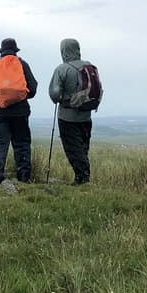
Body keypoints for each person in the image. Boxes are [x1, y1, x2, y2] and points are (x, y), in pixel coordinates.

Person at [0, 37, 38, 187]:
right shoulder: (22, 64)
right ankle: (24, 178)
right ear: (15, 50)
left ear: (1, 51)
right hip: (20, 112)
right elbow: (33, 89)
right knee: (22, 144)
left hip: (0, 113)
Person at [48, 38, 99, 184]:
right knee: (83, 148)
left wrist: (62, 96)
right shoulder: (89, 66)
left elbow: (54, 94)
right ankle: (82, 177)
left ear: (63, 51)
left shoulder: (62, 69)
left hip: (67, 117)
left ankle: (82, 179)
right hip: (86, 115)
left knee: (73, 148)